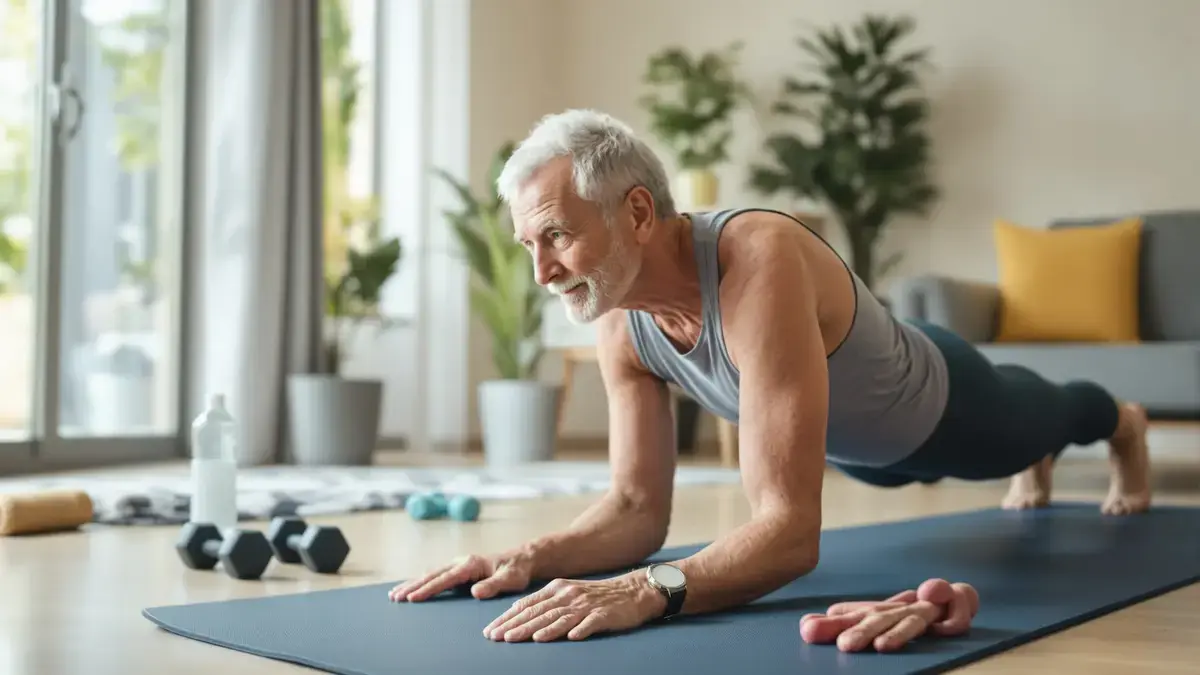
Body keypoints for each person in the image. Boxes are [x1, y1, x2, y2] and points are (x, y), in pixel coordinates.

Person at [388, 109, 1152, 649]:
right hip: (856, 448)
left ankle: (1124, 422)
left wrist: (647, 589)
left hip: (946, 406)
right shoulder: (622, 321)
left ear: (639, 212)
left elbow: (788, 532)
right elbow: (635, 509)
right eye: (528, 244)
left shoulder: (759, 259)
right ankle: (1042, 452)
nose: (542, 272)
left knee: (1050, 414)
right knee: (896, 471)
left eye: (556, 235)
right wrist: (530, 556)